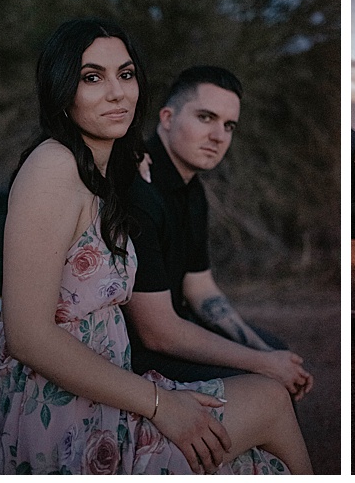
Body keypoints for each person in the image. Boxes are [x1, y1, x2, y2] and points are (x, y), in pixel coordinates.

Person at [0, 18, 312, 474]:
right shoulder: (53, 167)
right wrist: (161, 403)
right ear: (61, 89)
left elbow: (199, 287)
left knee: (265, 417)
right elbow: (28, 336)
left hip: (110, 380)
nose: (118, 92)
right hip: (61, 402)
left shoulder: (107, 172)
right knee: (269, 401)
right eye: (92, 77)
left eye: (126, 74)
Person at [124, 65, 313, 399]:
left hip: (172, 330)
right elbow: (156, 333)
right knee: (263, 381)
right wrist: (261, 364)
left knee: (274, 348)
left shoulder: (192, 190)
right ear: (167, 118)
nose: (218, 136)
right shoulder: (137, 182)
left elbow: (199, 288)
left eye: (228, 126)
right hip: (133, 352)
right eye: (205, 117)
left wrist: (263, 352)